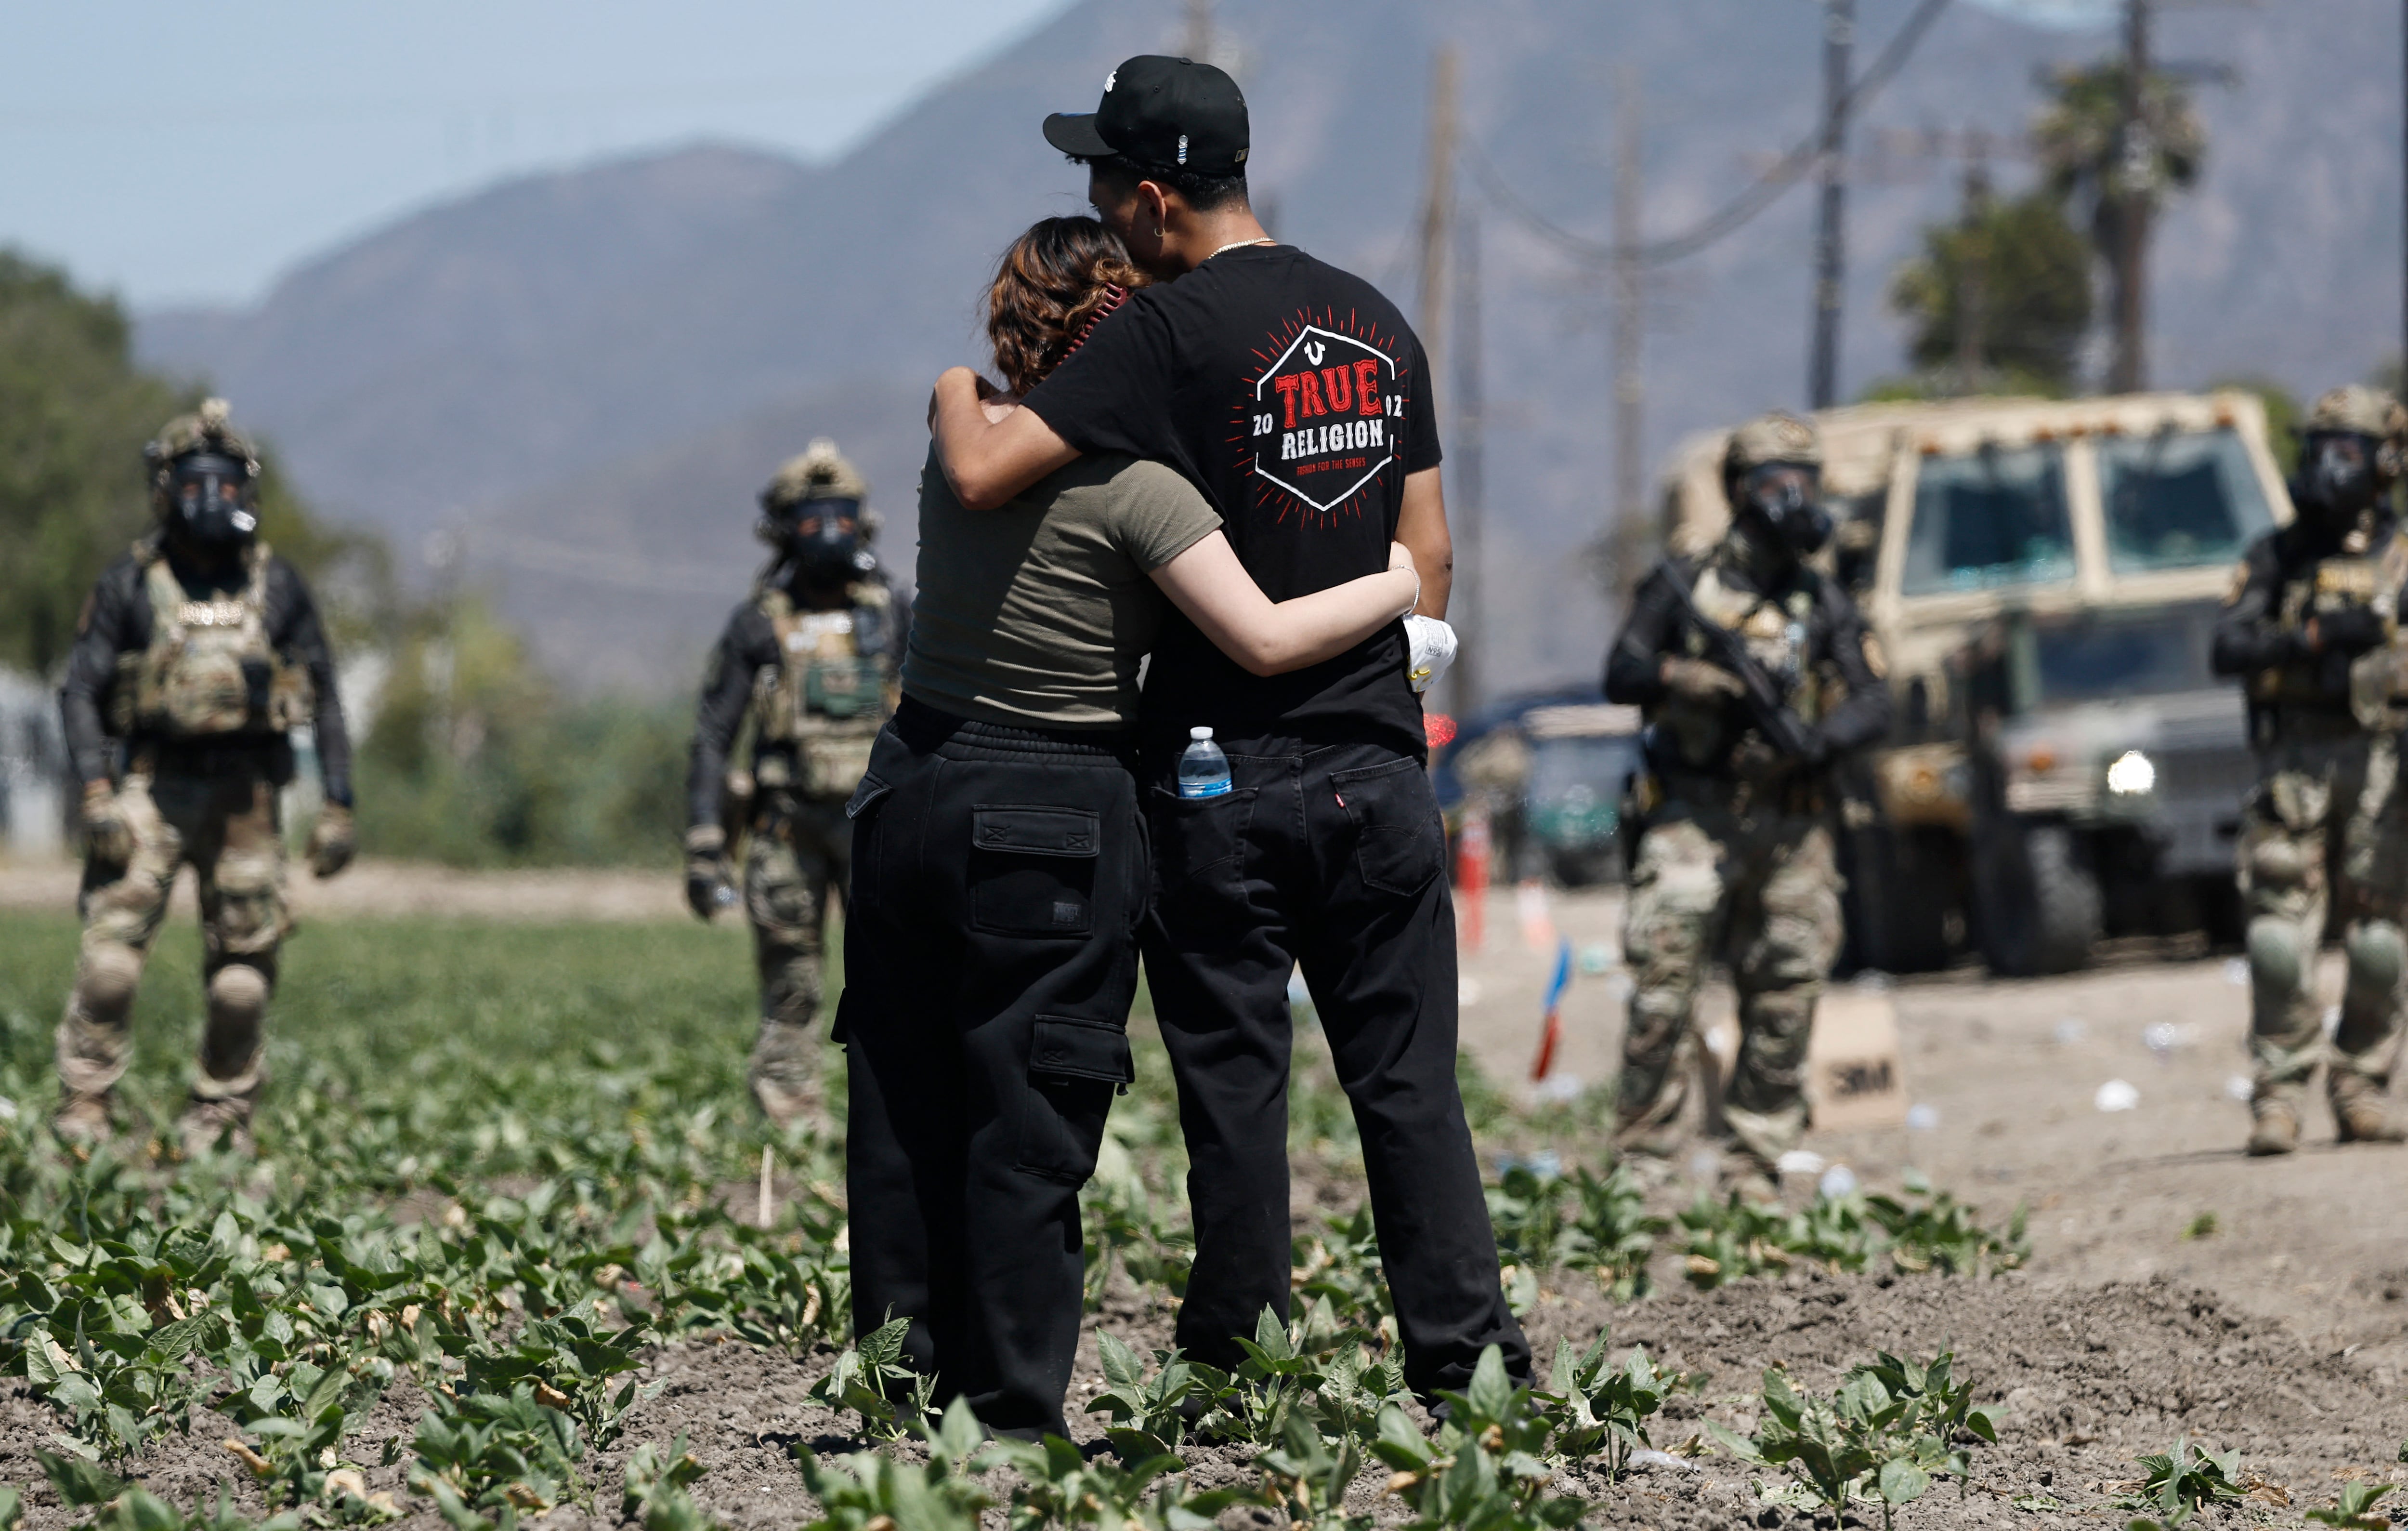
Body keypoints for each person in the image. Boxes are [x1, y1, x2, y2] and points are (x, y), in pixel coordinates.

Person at [927, 54, 1526, 1402]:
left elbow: (985, 472)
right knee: (1408, 1084)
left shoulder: (1162, 332)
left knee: (1236, 1082)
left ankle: (1242, 1360)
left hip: (1215, 776)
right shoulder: (1376, 321)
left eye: (1099, 185)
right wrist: (1386, 693)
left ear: (1148, 203)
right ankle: (1467, 1361)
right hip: (1376, 770)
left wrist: (955, 392)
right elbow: (1428, 550)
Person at [844, 214, 1425, 1439]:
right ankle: (1004, 1411)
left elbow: (969, 427)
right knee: (1031, 1104)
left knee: (901, 1099)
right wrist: (1400, 583)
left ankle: (898, 1390)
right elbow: (1264, 638)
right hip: (1050, 806)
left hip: (910, 784)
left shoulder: (960, 414)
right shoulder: (1145, 489)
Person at [52, 399, 355, 1155]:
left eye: (224, 484)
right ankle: (85, 1110)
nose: (210, 499)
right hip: (151, 792)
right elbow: (80, 691)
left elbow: (325, 695)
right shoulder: (130, 584)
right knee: (111, 964)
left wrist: (339, 806)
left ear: (246, 492)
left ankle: (220, 1114)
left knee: (242, 981)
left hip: (249, 800)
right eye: (194, 484)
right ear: (166, 490)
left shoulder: (278, 587)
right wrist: (96, 794)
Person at [1602, 412, 1892, 1198]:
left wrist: (1819, 741)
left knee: (1788, 987)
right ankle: (1643, 1167)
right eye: (1774, 481)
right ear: (1738, 491)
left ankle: (1755, 1160)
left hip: (1792, 820)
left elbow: (1875, 698)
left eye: (1806, 479)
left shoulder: (1823, 600)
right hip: (1692, 813)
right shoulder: (1681, 585)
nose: (1793, 496)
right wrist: (1684, 680)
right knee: (1664, 985)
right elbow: (1620, 673)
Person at [684, 443, 905, 1126]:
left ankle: (896, 1121)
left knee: (898, 980)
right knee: (792, 982)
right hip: (787, 829)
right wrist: (704, 843)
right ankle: (791, 1121)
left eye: (841, 516)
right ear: (785, 530)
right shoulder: (758, 621)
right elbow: (713, 735)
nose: (829, 533)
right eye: (812, 520)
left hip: (880, 827)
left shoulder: (895, 612)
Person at [2212, 384, 2408, 1155]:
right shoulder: (2277, 555)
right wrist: (2315, 638)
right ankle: (2279, 1096)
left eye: (2347, 452)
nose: (2328, 467)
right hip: (2296, 767)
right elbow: (2227, 646)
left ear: (2386, 464)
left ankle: (2361, 1085)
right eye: (2317, 449)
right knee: (2278, 942)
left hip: (2385, 770)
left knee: (2378, 945)